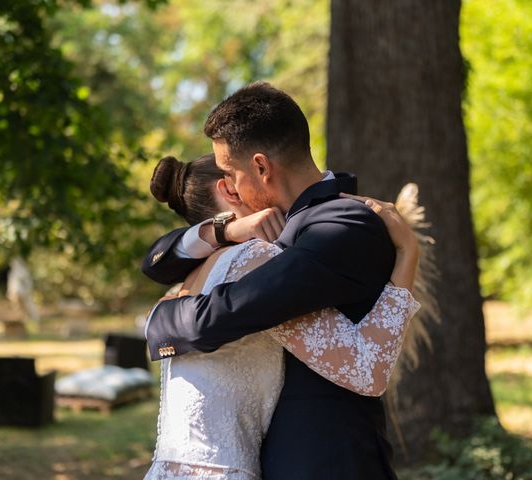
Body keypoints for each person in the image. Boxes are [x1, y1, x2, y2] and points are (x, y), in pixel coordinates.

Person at [144, 82, 415, 479]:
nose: (229, 188)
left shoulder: (342, 225)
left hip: (325, 458)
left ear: (260, 166)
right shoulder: (275, 226)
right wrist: (225, 231)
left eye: (230, 173)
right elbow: (158, 263)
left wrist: (158, 320)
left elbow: (226, 313)